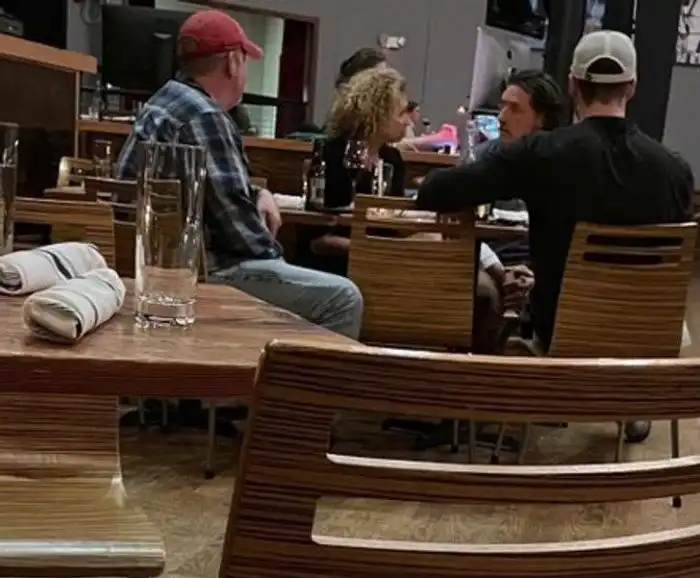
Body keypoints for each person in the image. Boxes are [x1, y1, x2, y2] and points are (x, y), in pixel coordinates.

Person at [416, 29, 694, 354]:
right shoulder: (675, 170)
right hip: (646, 346)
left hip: (562, 340)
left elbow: (435, 193)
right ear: (631, 87)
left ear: (573, 85)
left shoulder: (542, 153)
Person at [115, 9, 363, 340]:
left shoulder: (163, 102)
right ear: (233, 61)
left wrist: (258, 193)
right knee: (343, 297)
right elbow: (240, 234)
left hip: (147, 268)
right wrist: (279, 258)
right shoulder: (204, 115)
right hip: (196, 274)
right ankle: (278, 375)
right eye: (245, 62)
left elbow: (212, 190)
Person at [299, 67, 410, 276]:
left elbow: (393, 225)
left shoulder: (392, 160)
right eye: (401, 113)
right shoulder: (331, 155)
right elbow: (317, 239)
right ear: (376, 113)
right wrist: (369, 250)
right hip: (333, 265)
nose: (408, 121)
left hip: (378, 262)